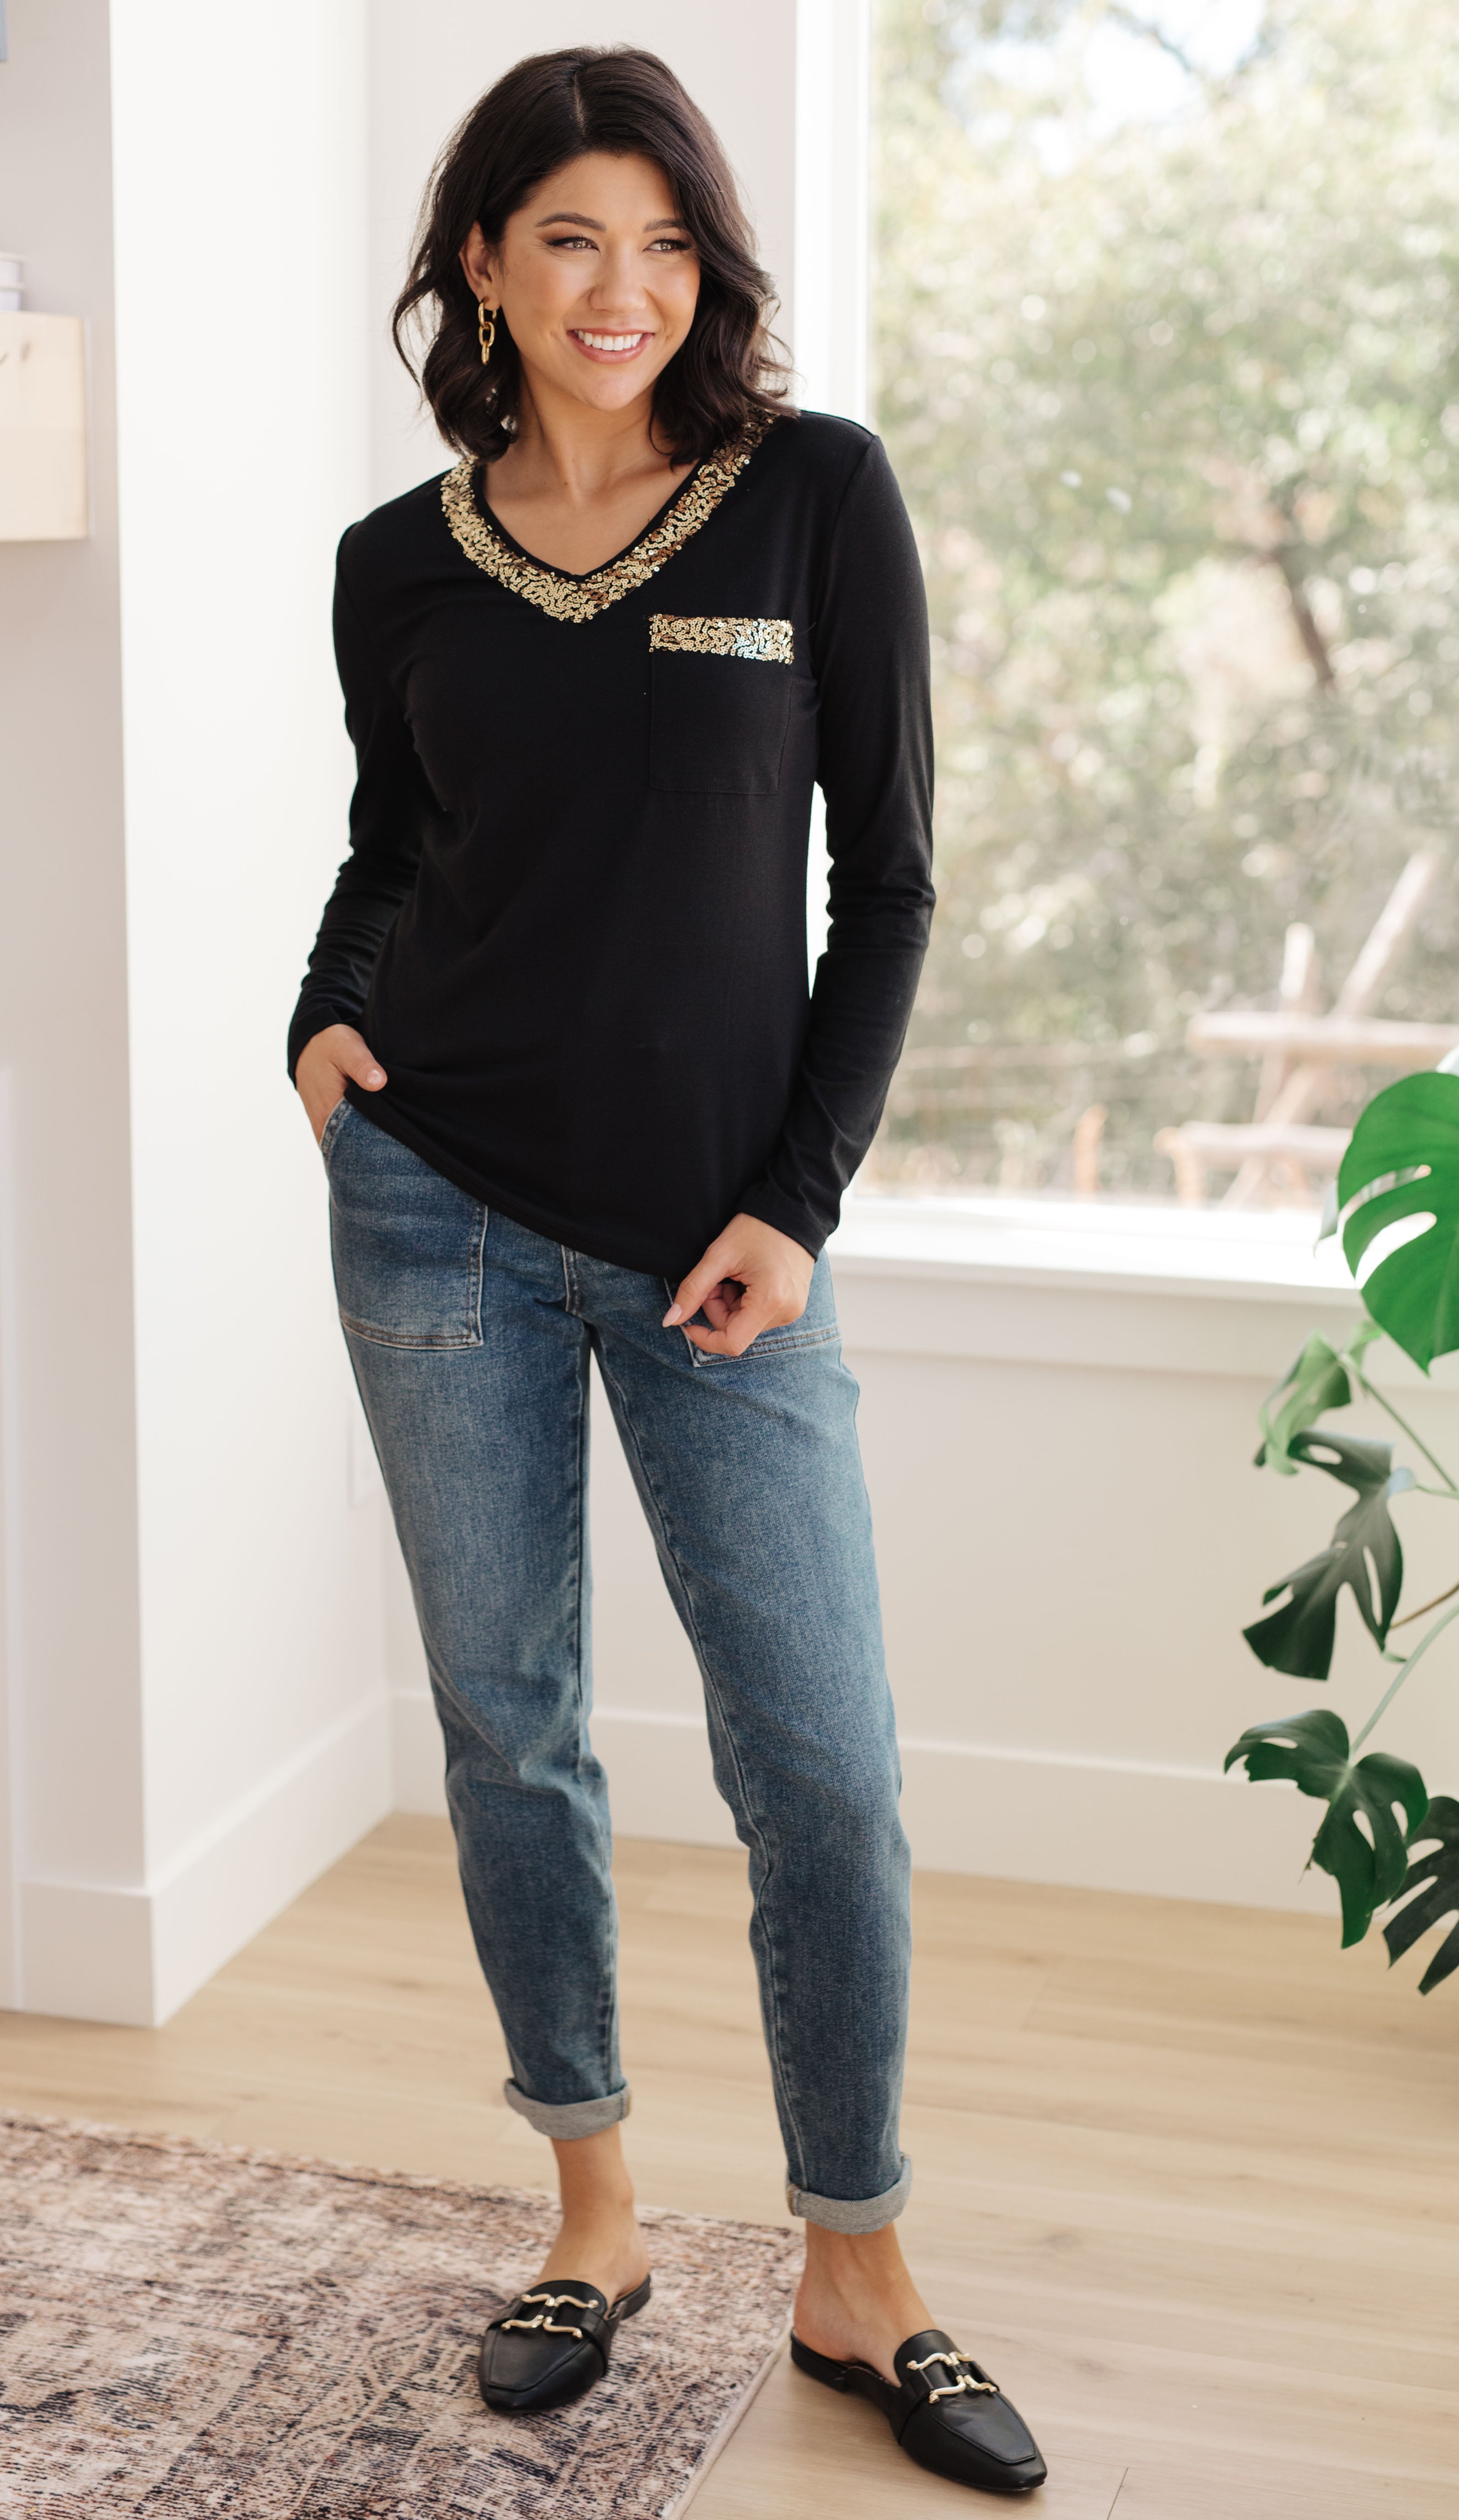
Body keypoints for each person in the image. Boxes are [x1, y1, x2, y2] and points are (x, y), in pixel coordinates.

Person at [289, 45, 1045, 2498]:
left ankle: (858, 2265)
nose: (623, 289)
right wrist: (321, 1018)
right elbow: (395, 842)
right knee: (510, 1727)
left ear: (706, 268)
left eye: (665, 242)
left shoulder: (815, 496)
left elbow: (890, 886)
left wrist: (794, 1206)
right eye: (570, 240)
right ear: (485, 267)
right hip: (435, 1205)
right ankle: (593, 2219)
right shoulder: (397, 560)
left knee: (822, 1762)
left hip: (726, 1245)